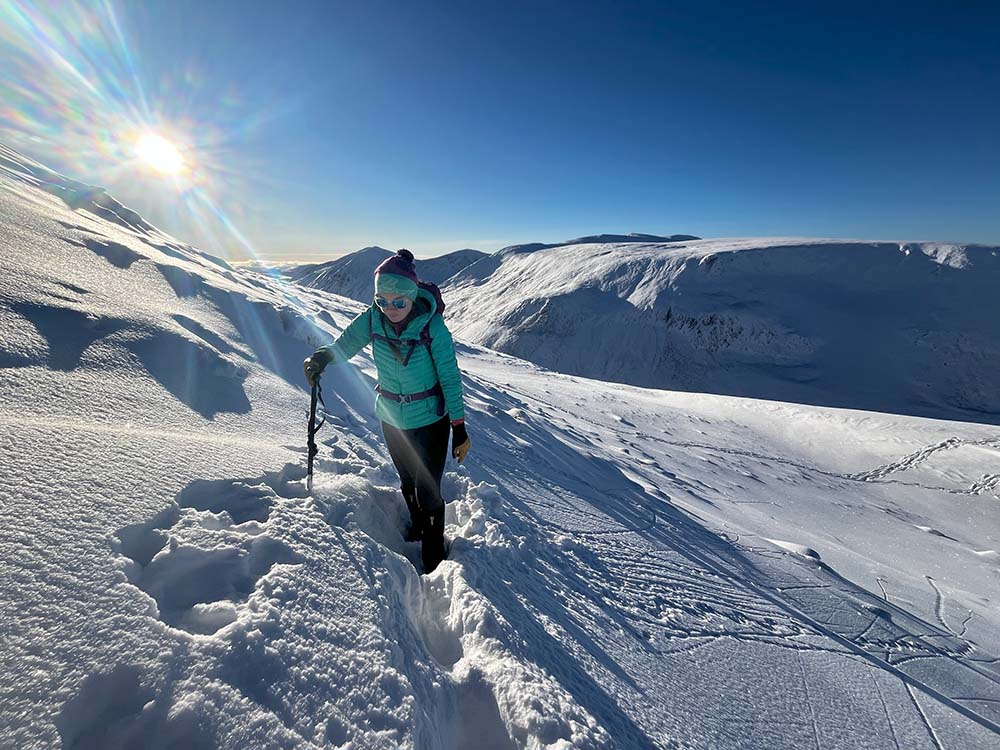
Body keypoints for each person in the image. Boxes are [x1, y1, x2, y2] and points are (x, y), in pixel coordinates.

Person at [303, 249, 470, 573]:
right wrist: (322, 357)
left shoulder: (432, 327)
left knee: (428, 488)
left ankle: (434, 556)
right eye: (383, 301)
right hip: (392, 417)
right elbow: (345, 345)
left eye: (398, 302)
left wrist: (459, 425)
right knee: (407, 480)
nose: (390, 309)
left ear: (411, 297)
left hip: (431, 421)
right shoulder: (373, 319)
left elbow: (450, 377)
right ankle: (419, 528)